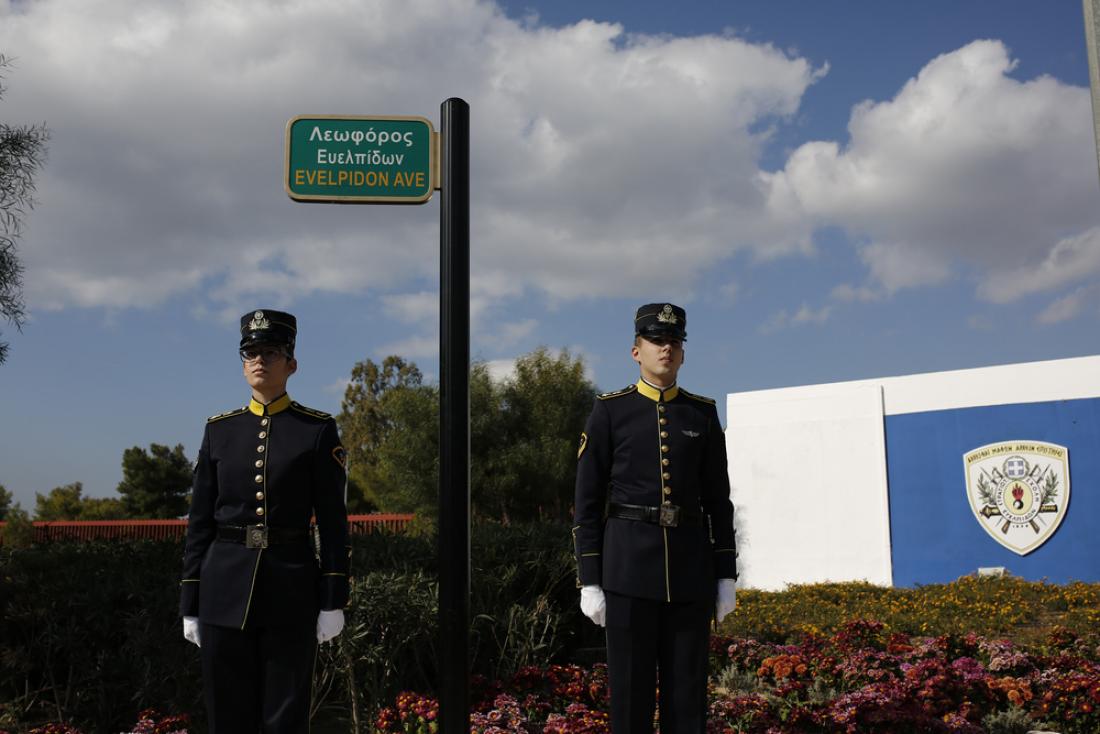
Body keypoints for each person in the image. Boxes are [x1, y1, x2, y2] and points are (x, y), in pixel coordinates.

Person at [179, 309, 351, 734]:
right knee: (227, 717)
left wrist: (333, 597)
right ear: (242, 364)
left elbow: (333, 522)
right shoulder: (219, 431)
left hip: (291, 591)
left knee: (284, 719)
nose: (259, 360)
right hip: (222, 591)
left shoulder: (316, 430)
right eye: (250, 352)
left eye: (271, 352)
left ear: (291, 364)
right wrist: (190, 602)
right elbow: (199, 523)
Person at [572, 303, 738, 733]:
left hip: (689, 576)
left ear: (683, 353)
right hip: (627, 575)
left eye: (675, 341)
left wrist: (725, 574)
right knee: (631, 700)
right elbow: (587, 502)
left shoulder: (702, 414)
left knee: (688, 701)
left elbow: (718, 501)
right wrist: (590, 579)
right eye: (657, 340)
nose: (667, 348)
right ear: (636, 351)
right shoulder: (610, 411)